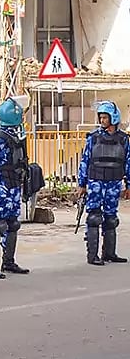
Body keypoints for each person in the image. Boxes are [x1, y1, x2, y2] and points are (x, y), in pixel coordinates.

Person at [0, 97, 32, 278]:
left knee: (12, 223)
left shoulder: (15, 135)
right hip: (1, 184)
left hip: (14, 184)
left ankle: (8, 262)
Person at [77, 100, 130, 265]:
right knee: (94, 217)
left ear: (113, 118)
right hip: (96, 182)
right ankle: (92, 256)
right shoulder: (93, 137)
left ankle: (109, 253)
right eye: (100, 117)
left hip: (114, 183)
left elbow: (128, 162)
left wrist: (129, 184)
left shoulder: (123, 139)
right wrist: (81, 184)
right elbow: (85, 160)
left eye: (105, 117)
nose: (102, 121)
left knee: (111, 218)